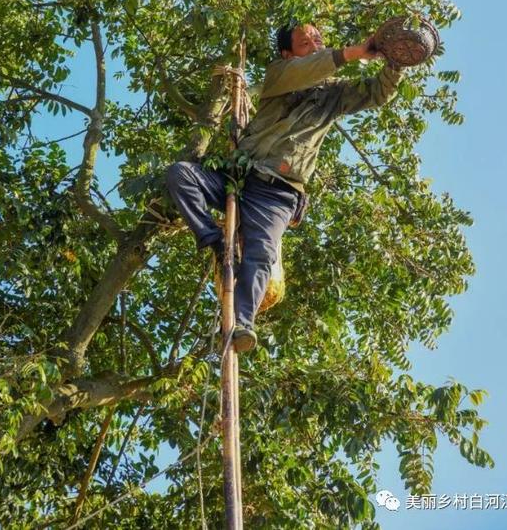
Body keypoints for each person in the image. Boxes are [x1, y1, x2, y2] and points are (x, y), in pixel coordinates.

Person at [165, 22, 403, 353]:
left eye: (319, 39)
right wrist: (354, 53)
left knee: (261, 253)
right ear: (287, 54)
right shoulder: (279, 75)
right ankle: (215, 241)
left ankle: (241, 324)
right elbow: (309, 70)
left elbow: (377, 92)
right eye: (306, 43)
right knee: (181, 175)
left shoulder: (333, 95)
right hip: (239, 178)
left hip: (277, 193)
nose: (316, 45)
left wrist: (396, 61)